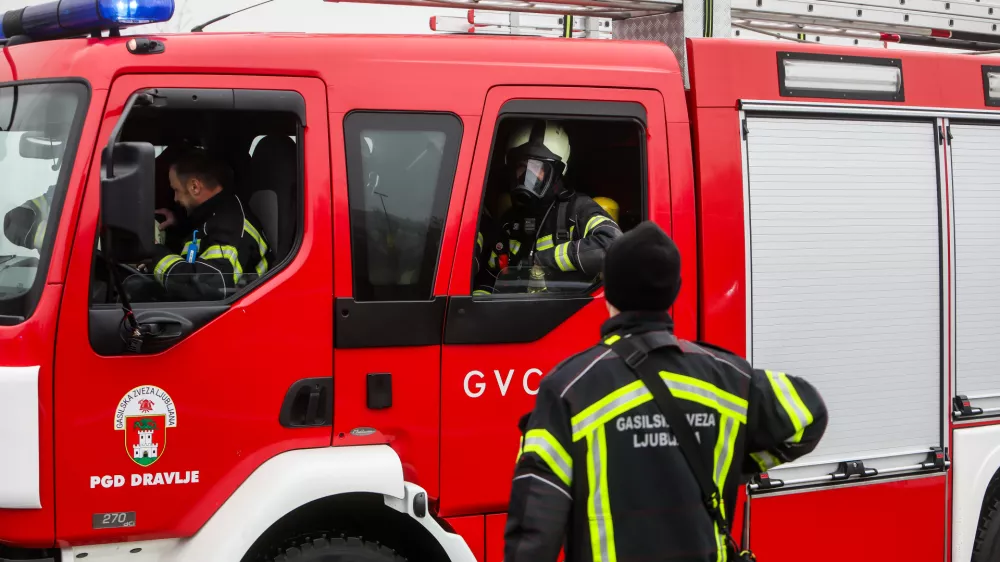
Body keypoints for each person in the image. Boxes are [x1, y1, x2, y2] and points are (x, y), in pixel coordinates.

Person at [503, 221, 828, 562]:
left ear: (608, 293)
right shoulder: (730, 378)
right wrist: (731, 462)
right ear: (675, 291)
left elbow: (533, 531)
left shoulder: (568, 388)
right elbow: (810, 415)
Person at [473, 120, 622, 296]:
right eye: (522, 166)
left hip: (565, 317)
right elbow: (489, 279)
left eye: (537, 167)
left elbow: (614, 246)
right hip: (514, 317)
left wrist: (543, 261)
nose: (528, 175)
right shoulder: (509, 222)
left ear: (557, 172)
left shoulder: (576, 210)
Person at [145, 147, 273, 301]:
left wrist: (154, 253)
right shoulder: (215, 212)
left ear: (195, 187)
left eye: (176, 190)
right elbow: (200, 241)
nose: (175, 198)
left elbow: (204, 288)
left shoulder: (231, 228)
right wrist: (177, 224)